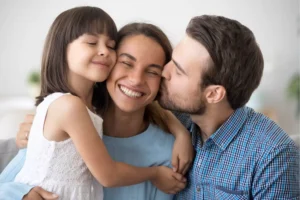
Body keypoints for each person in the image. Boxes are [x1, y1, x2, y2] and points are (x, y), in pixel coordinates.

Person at [0, 7, 192, 200]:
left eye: (152, 72)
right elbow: (7, 185)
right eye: (126, 63)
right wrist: (22, 195)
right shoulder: (66, 122)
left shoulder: (170, 154)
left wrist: (180, 131)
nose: (135, 80)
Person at [157, 15, 300, 199]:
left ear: (214, 94)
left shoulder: (273, 155)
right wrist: (180, 132)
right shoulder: (175, 119)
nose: (163, 71)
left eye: (178, 71)